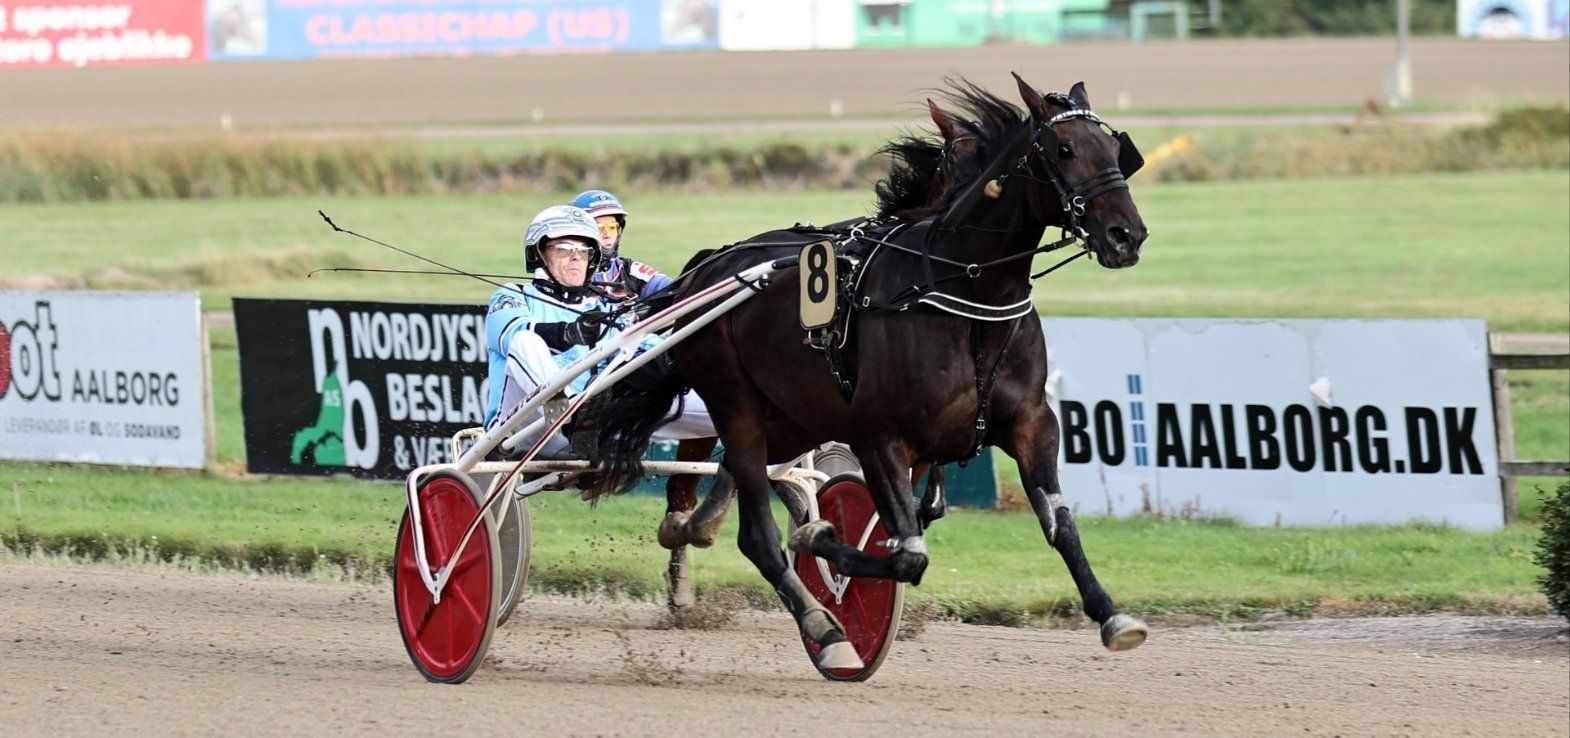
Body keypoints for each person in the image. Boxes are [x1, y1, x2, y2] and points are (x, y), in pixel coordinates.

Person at [483, 205, 710, 458]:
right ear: (539, 254)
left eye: (584, 250)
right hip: (523, 428)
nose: (576, 257)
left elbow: (643, 348)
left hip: (599, 429)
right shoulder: (513, 295)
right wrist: (569, 333)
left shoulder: (602, 308)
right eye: (564, 248)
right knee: (525, 341)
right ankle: (572, 415)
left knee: (725, 403)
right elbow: (512, 335)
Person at [569, 189, 675, 302]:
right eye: (599, 228)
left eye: (612, 227)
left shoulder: (629, 270)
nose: (608, 235)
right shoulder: (567, 275)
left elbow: (674, 289)